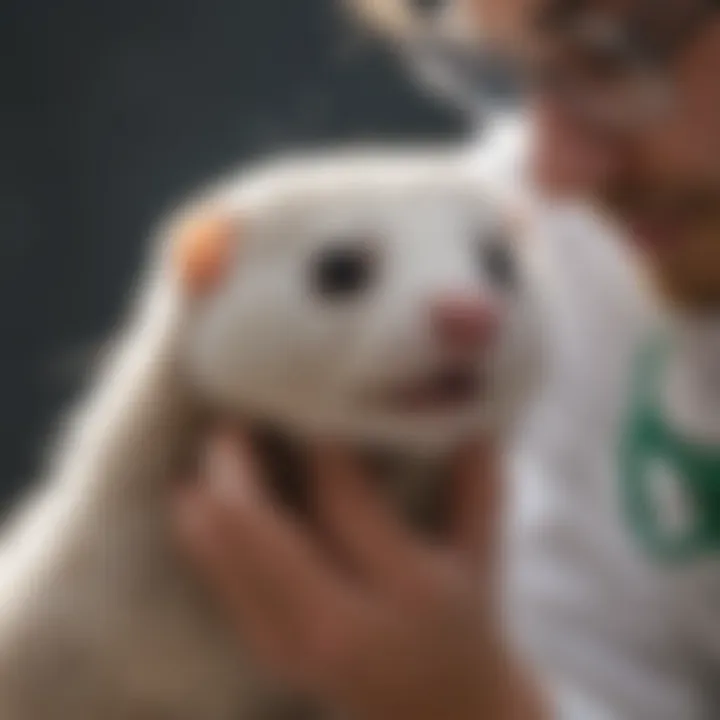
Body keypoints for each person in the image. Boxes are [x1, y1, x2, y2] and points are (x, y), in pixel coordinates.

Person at [172, 1, 720, 717]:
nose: (556, 172)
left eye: (613, 56)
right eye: (512, 73)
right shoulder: (539, 249)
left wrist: (480, 708)